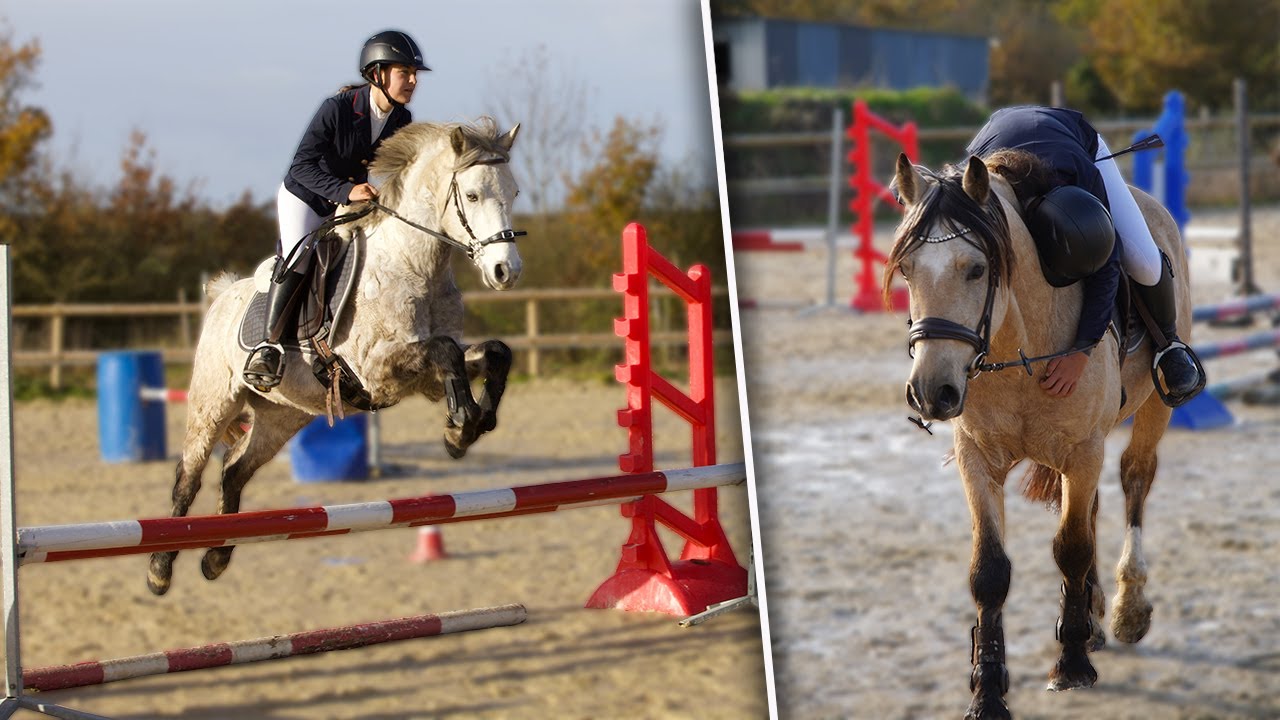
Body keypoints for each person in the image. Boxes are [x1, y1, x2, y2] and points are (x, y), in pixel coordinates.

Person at [966, 105, 1204, 404]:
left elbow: (1108, 262)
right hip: (992, 143)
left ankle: (1169, 346)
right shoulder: (981, 185)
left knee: (1144, 264)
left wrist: (1083, 351)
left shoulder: (1082, 178)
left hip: (1076, 148)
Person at [243, 30, 430, 391]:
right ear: (377, 73)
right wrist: (346, 191)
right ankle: (268, 347)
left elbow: (399, 171)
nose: (412, 80)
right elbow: (301, 167)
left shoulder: (401, 119)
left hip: (351, 200)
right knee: (299, 258)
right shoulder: (337, 109)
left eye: (414, 74)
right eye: (404, 72)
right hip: (306, 197)